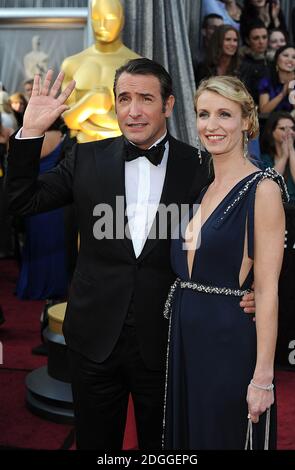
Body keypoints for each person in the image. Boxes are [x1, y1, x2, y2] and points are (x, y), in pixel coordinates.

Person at [5, 59, 255, 450]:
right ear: (114, 104)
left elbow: (231, 234)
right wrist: (31, 132)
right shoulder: (87, 158)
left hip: (167, 338)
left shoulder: (199, 166)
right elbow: (20, 201)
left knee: (163, 449)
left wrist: (246, 287)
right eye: (124, 99)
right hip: (93, 338)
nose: (133, 110)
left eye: (145, 99)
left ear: (168, 105)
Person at [163, 75, 288, 450]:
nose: (211, 125)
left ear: (247, 122)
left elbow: (266, 291)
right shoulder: (205, 188)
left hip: (228, 342)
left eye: (224, 114)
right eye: (203, 114)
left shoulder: (262, 189)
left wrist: (263, 378)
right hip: (186, 340)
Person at [61, 0, 140, 143]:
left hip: (125, 151)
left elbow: (143, 121)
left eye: (109, 19)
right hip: (82, 149)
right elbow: (68, 120)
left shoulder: (138, 64)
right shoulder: (72, 64)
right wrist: (89, 103)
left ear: (121, 21)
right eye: (97, 19)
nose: (102, 26)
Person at [260, 111, 295, 202]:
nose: (289, 132)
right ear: (271, 132)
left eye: (292, 128)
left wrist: (291, 151)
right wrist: (284, 157)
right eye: (283, 128)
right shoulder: (264, 158)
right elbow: (269, 183)